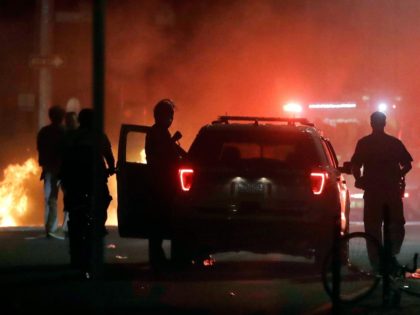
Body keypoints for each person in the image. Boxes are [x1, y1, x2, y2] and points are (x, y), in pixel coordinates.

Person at [350, 111, 413, 269]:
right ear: (384, 123)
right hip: (391, 191)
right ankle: (390, 256)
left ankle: (376, 261)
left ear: (371, 123)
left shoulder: (364, 143)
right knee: (395, 225)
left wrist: (359, 180)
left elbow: (355, 166)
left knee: (372, 227)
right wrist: (397, 175)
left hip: (372, 192)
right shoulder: (394, 143)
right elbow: (407, 164)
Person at [60, 108, 115, 277]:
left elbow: (63, 159)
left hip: (75, 184)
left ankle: (76, 255)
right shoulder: (99, 136)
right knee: (103, 204)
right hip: (94, 183)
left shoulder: (72, 136)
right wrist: (111, 169)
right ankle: (98, 228)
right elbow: (109, 156)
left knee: (74, 217)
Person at [145, 99, 186, 270]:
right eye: (169, 115)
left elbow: (175, 152)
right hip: (159, 182)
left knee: (161, 219)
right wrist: (174, 140)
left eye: (172, 116)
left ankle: (158, 255)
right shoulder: (156, 132)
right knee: (159, 219)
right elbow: (161, 153)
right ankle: (156, 256)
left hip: (164, 181)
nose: (171, 119)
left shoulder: (162, 132)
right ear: (160, 116)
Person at [36, 105, 66, 239]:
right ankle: (65, 228)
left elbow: (41, 150)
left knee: (50, 199)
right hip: (65, 170)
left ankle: (51, 228)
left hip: (50, 170)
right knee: (68, 200)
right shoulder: (67, 132)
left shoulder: (44, 132)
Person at [60, 111, 79, 236]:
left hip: (78, 171)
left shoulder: (80, 135)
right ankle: (67, 224)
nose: (71, 123)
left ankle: (74, 224)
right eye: (69, 120)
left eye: (73, 120)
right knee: (69, 198)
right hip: (67, 172)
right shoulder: (63, 136)